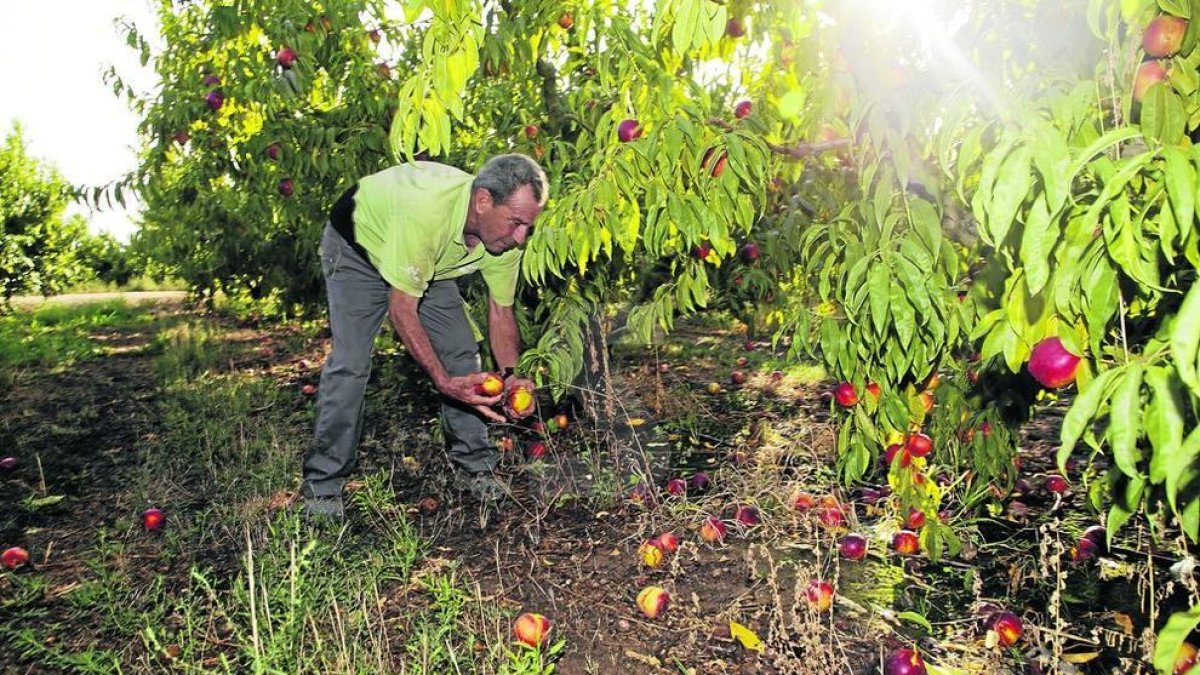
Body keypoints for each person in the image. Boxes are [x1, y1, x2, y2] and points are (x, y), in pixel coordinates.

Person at [301, 154, 547, 517]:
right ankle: (323, 485)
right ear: (482, 201)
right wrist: (442, 381)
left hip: (423, 259)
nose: (521, 237)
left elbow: (501, 312)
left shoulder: (504, 240)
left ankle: (476, 464)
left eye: (528, 226)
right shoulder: (426, 216)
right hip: (359, 247)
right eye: (515, 223)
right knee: (350, 364)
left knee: (463, 352)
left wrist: (510, 378)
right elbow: (403, 311)